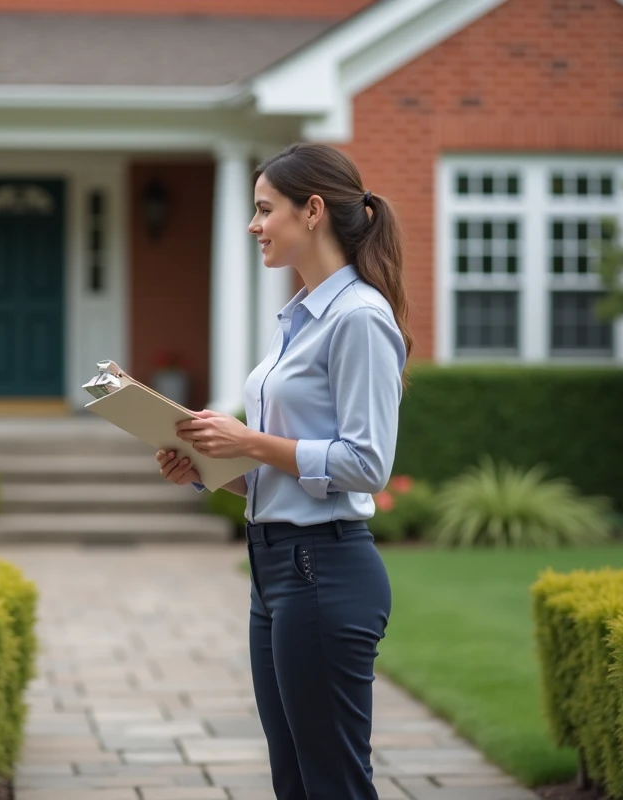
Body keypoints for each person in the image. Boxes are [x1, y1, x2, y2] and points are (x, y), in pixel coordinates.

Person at [154, 142, 411, 800]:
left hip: (322, 571)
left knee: (334, 785)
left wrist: (250, 440)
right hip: (273, 572)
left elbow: (366, 462)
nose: (253, 224)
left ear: (314, 211)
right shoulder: (297, 320)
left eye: (266, 209)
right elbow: (285, 468)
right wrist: (208, 467)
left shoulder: (359, 318)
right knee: (294, 783)